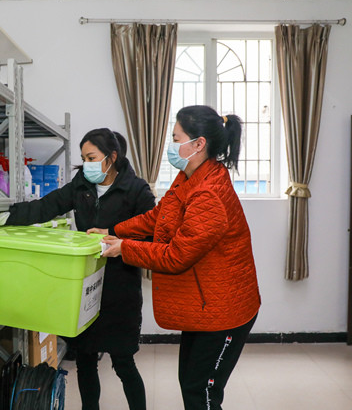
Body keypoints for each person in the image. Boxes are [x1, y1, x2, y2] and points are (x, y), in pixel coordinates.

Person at [89, 105, 261, 410]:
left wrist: (123, 248)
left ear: (198, 144)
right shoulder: (189, 177)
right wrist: (113, 229)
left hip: (226, 310)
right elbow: (157, 217)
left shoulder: (208, 193)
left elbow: (177, 256)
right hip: (205, 305)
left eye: (175, 137)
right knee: (192, 384)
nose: (171, 145)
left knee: (202, 391)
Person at [0, 128, 155, 410]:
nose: (87, 164)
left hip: (121, 289)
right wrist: (1, 218)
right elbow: (46, 206)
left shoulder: (137, 190)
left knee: (123, 363)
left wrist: (120, 239)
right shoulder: (81, 184)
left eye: (92, 157)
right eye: (83, 157)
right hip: (86, 286)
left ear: (112, 157)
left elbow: (150, 235)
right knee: (85, 360)